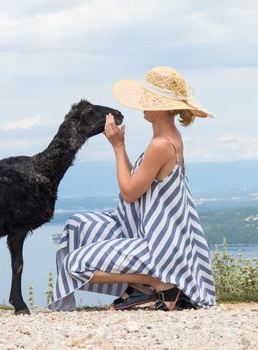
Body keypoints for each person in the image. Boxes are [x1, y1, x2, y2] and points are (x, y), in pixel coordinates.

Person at [48, 66, 217, 312]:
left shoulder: (160, 145)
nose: (141, 106)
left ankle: (158, 282)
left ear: (160, 107)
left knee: (73, 265)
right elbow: (138, 181)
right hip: (159, 237)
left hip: (159, 247)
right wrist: (121, 145)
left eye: (146, 101)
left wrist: (117, 148)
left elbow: (129, 192)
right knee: (77, 225)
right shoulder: (169, 138)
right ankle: (144, 290)